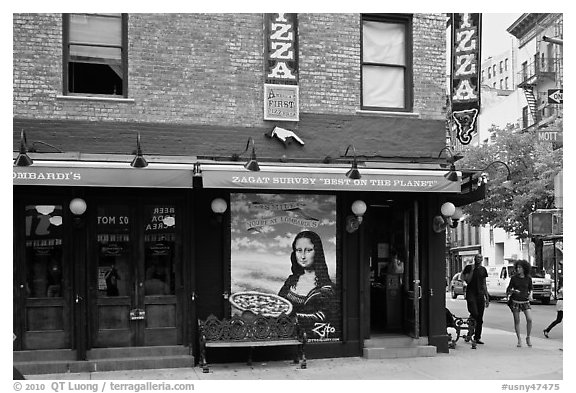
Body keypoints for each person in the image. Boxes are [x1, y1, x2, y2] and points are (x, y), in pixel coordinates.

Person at [278, 231, 335, 331]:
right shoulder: (291, 280)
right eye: (299, 250)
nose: (303, 256)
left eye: (308, 250)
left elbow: (322, 317)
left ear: (317, 252)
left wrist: (291, 318)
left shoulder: (326, 289)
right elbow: (279, 304)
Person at [461, 253, 489, 345]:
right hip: (471, 294)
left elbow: (484, 284)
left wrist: (487, 297)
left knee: (479, 317)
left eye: (480, 258)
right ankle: (470, 331)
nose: (479, 259)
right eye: (477, 257)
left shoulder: (483, 270)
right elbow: (467, 280)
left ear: (482, 260)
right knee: (474, 313)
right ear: (474, 259)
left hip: (480, 294)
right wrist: (472, 270)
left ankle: (477, 337)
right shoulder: (469, 268)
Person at [506, 259, 534, 347]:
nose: (518, 269)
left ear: (524, 268)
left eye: (520, 267)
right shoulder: (514, 278)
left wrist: (531, 295)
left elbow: (531, 288)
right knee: (517, 320)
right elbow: (509, 289)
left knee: (529, 319)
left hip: (525, 301)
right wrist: (514, 291)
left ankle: (528, 337)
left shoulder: (528, 278)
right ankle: (519, 339)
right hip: (516, 301)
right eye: (517, 267)